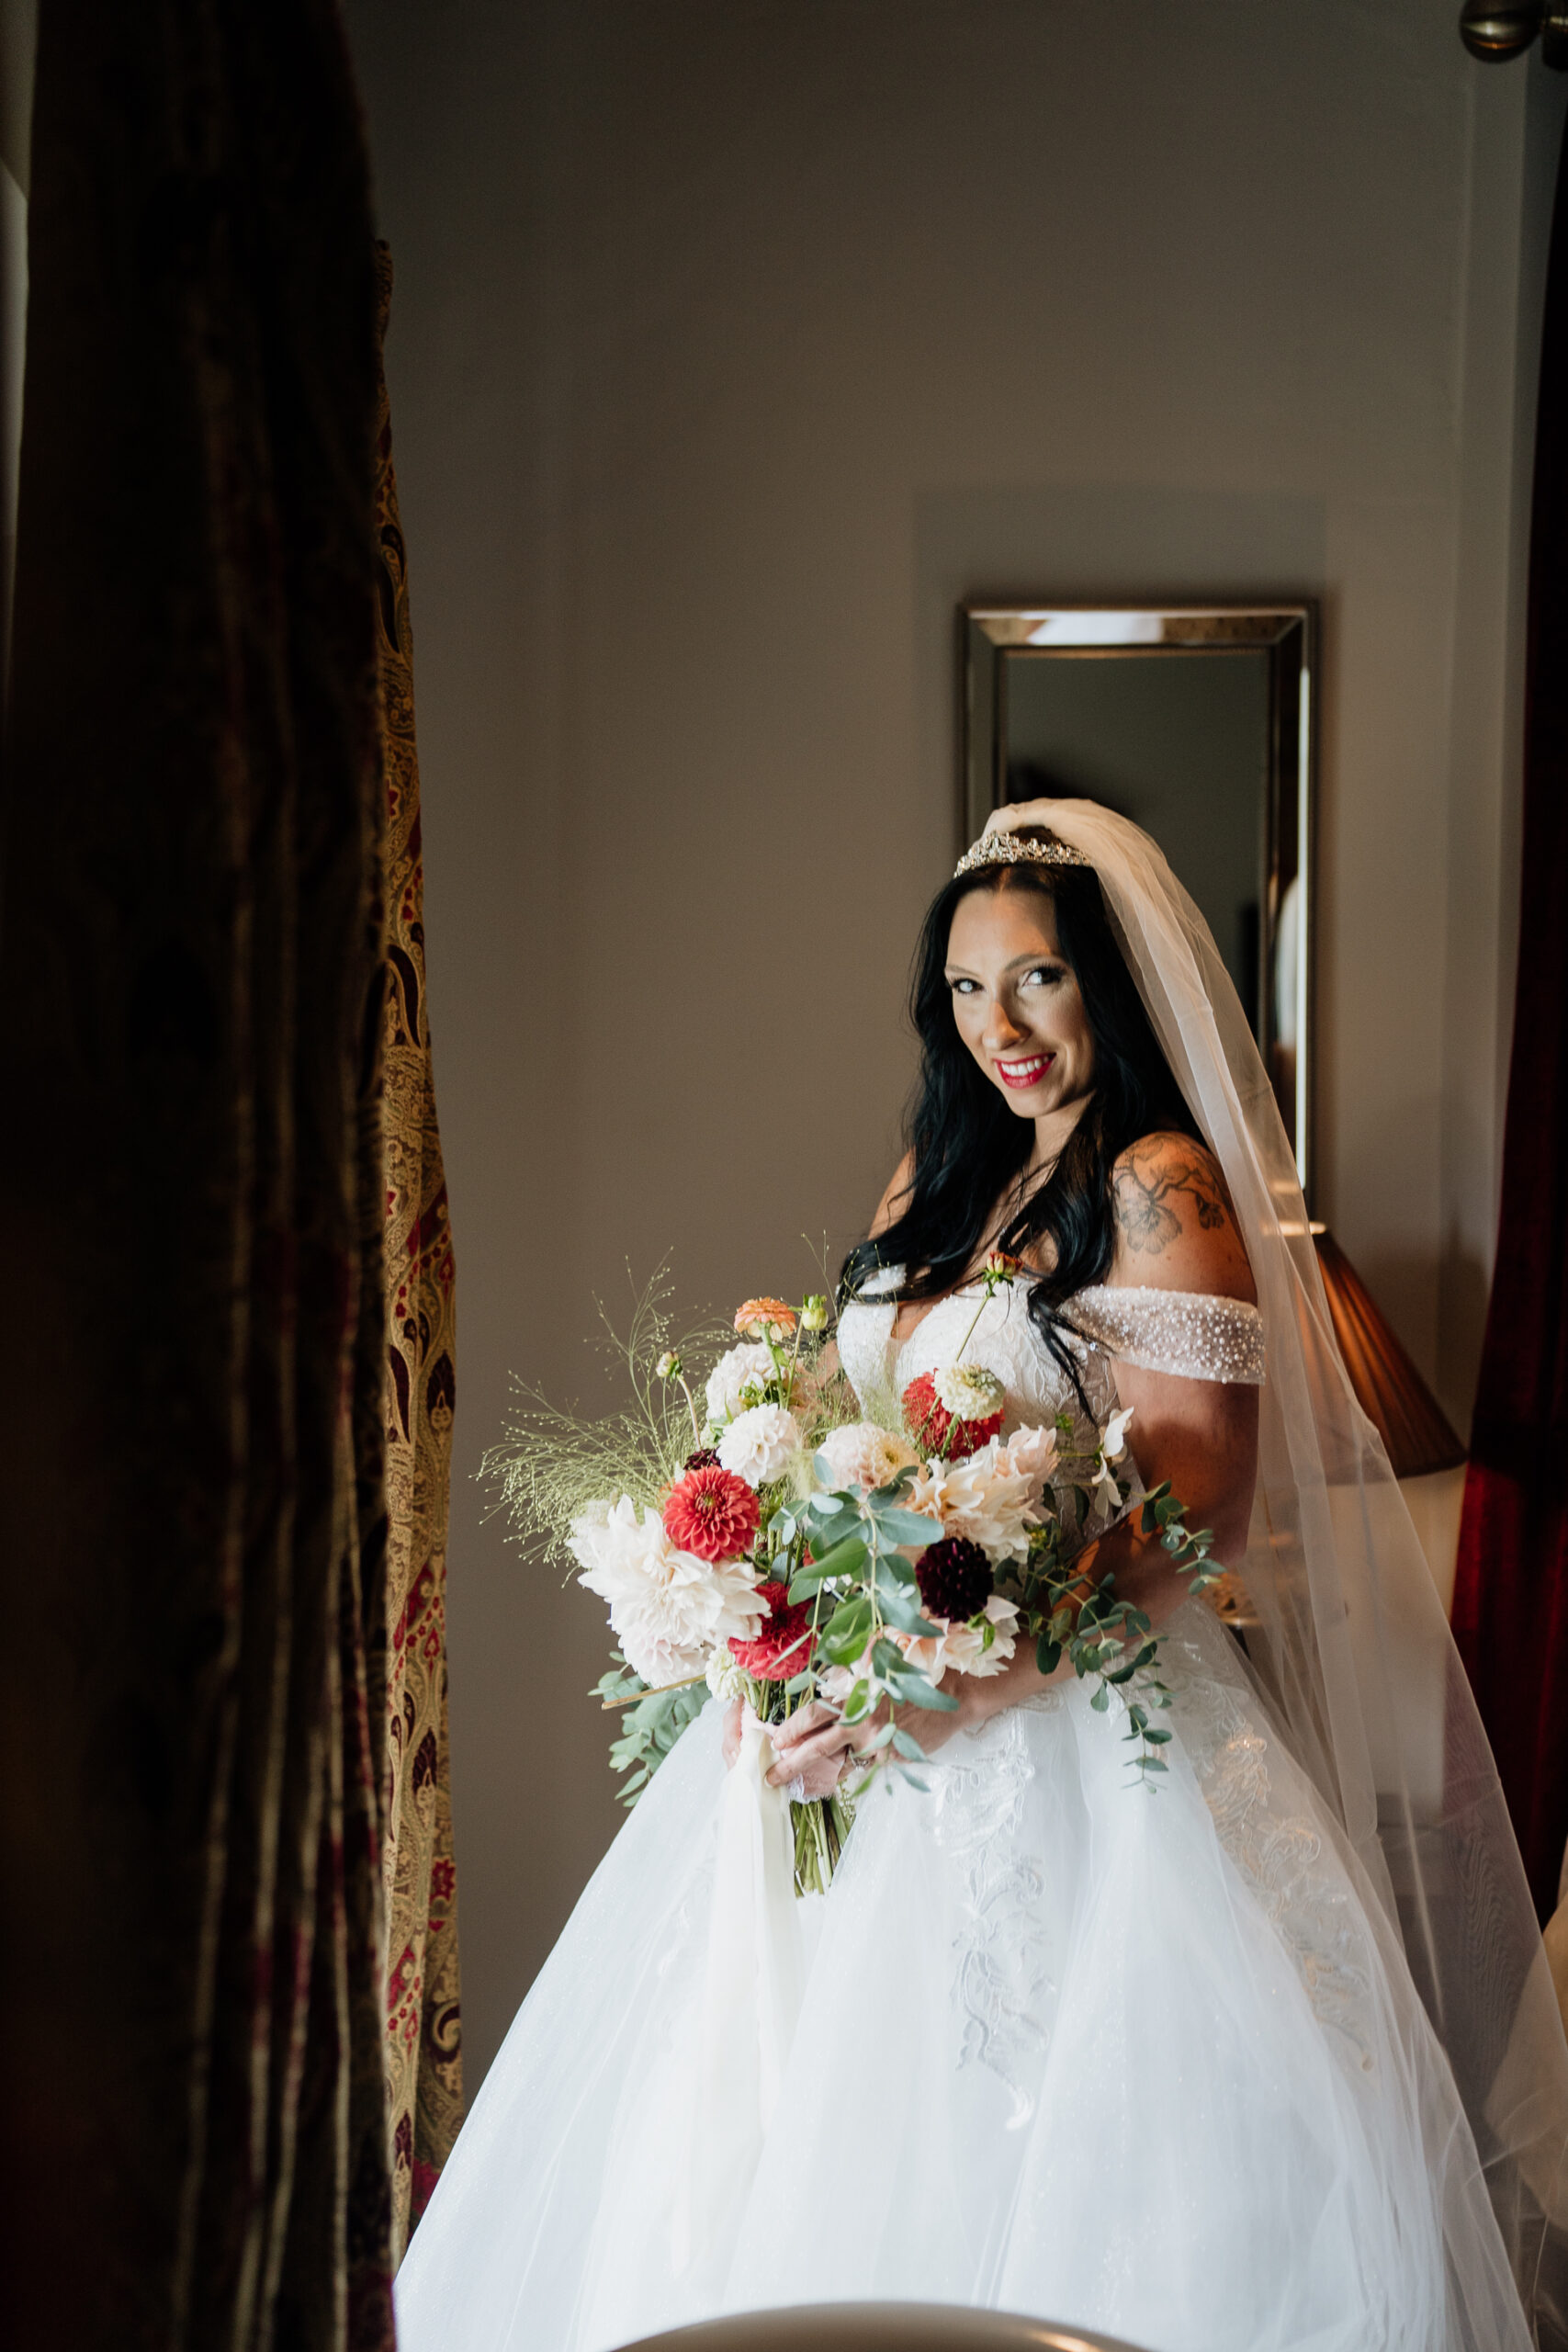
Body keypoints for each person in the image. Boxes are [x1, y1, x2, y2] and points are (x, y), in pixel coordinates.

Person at [395, 800, 1568, 2352]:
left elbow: (1194, 1500)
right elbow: (845, 1437)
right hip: (868, 1730)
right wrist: (790, 1656)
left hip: (1083, 1731)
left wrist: (987, 1675)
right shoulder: (931, 1183)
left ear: (1108, 986)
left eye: (1036, 981)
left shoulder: (1161, 1186)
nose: (997, 1025)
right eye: (963, 987)